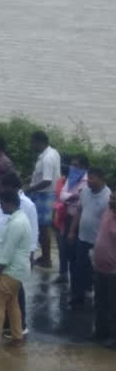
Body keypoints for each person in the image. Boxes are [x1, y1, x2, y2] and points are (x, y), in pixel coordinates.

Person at [0, 190, 32, 349]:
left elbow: (7, 252)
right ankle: (17, 337)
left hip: (10, 270)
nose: (0, 208)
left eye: (1, 204)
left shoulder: (16, 223)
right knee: (12, 304)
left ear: (9, 203)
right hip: (18, 271)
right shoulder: (21, 218)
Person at [0, 173, 38, 335]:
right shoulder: (2, 201)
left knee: (11, 295)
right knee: (11, 299)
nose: (2, 189)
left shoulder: (28, 205)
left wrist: (31, 254)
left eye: (5, 187)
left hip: (13, 258)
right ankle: (11, 328)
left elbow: (33, 231)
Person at [69, 167, 112, 306]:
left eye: (92, 178)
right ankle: (79, 296)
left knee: (96, 272)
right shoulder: (85, 192)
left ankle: (98, 298)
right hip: (82, 238)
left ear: (101, 178)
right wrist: (72, 231)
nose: (88, 181)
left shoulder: (108, 197)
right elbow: (79, 211)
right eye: (88, 178)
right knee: (79, 267)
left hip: (97, 242)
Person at [26, 131, 61, 268]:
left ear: (39, 142)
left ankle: (46, 259)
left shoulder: (47, 158)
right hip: (48, 194)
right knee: (43, 228)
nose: (31, 145)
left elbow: (47, 180)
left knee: (42, 228)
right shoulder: (53, 152)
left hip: (44, 195)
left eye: (33, 142)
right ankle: (45, 257)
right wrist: (32, 178)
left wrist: (30, 189)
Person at [92, 191, 116, 348]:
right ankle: (101, 332)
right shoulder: (108, 211)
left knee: (113, 306)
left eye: (114, 199)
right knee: (100, 302)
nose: (111, 200)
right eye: (111, 197)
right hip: (100, 267)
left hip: (114, 271)